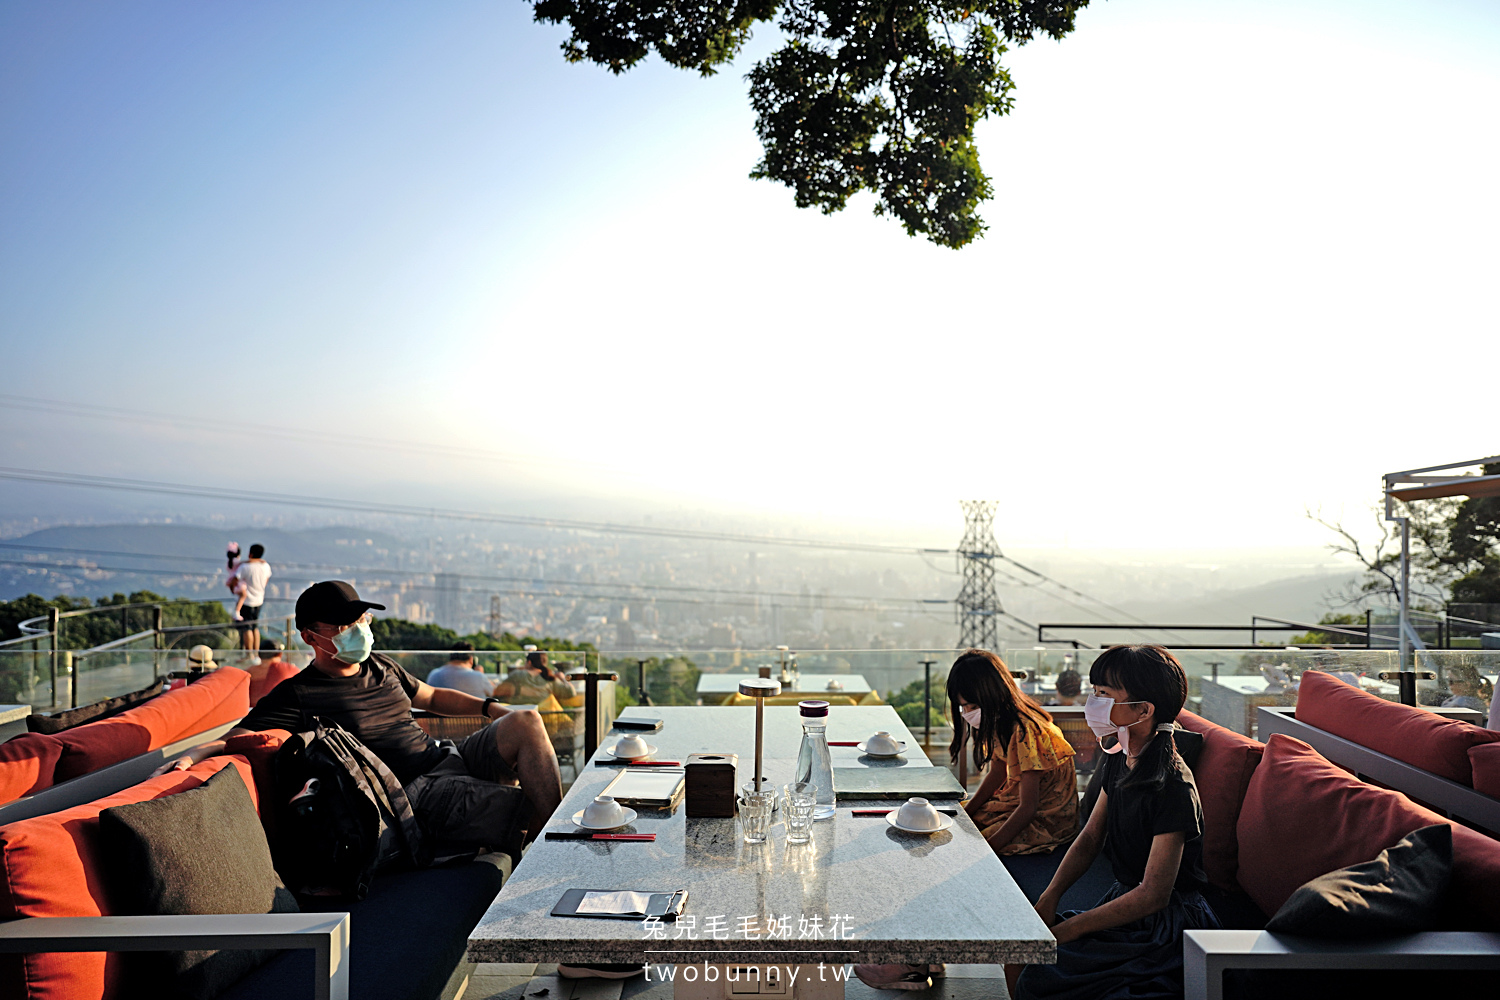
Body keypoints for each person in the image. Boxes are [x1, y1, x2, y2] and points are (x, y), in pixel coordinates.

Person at [154, 580, 563, 862]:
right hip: (414, 794)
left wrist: (492, 708)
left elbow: (433, 696)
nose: (357, 631)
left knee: (526, 720)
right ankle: (556, 858)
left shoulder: (381, 666)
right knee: (531, 810)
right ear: (311, 637)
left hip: (447, 756)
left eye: (361, 621)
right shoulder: (298, 694)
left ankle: (552, 844)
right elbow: (236, 738)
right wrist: (191, 756)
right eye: (344, 625)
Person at [855, 650, 1079, 992]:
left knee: (947, 854)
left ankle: (913, 959)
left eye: (969, 705)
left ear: (991, 696)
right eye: (961, 707)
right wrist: (963, 815)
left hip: (1044, 822)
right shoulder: (1005, 721)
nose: (965, 714)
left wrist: (985, 851)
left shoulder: (1025, 729)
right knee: (938, 835)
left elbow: (1029, 807)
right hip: (1013, 805)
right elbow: (999, 773)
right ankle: (924, 953)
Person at [1011, 644, 1219, 1000]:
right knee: (1019, 950)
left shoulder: (1171, 785)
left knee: (1039, 974)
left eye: (1104, 694)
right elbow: (1091, 837)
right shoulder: (1120, 756)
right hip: (1124, 902)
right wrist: (1049, 897)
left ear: (1143, 709)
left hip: (1164, 925)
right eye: (1094, 692)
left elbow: (1154, 894)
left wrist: (1070, 929)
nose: (1093, 702)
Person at [492, 646, 575, 704]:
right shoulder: (550, 678)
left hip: (517, 717)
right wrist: (563, 678)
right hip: (543, 721)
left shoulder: (518, 675)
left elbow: (497, 693)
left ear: (529, 662)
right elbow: (571, 693)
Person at [233, 543, 273, 653]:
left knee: (247, 628)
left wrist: (236, 589)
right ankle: (256, 653)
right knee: (255, 627)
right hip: (259, 599)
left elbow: (235, 579)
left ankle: (249, 654)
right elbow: (266, 580)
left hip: (246, 601)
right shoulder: (265, 566)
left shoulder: (245, 567)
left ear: (250, 554)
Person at [426, 642, 496, 698]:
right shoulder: (479, 677)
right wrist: (481, 674)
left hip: (438, 715)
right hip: (474, 715)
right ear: (471, 659)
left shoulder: (434, 674)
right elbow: (494, 692)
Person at [248, 638, 300, 707]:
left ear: (259, 654)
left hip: (252, 712)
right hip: (280, 713)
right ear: (280, 654)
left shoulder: (249, 672)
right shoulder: (289, 669)